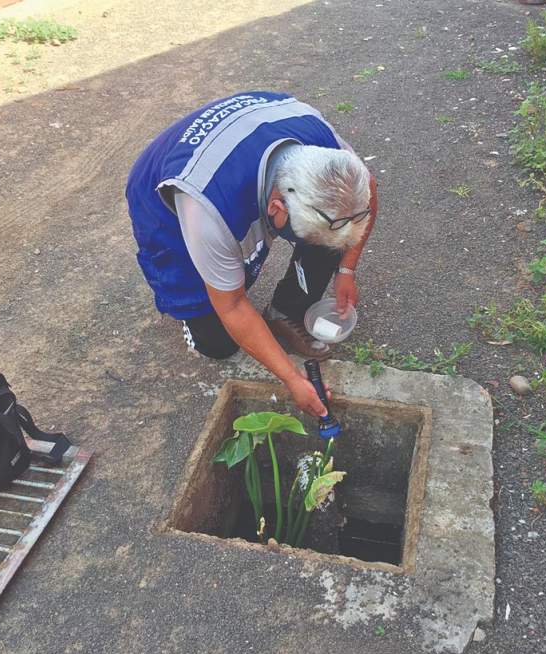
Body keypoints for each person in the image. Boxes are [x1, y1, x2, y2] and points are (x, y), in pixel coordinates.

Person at [126, 92, 377, 417]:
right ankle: (192, 317)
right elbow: (231, 306)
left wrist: (347, 270)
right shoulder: (208, 210)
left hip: (253, 138)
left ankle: (284, 311)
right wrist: (291, 377)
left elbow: (369, 191)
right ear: (275, 207)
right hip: (168, 195)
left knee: (331, 236)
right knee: (218, 341)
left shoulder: (331, 155)